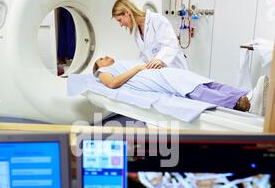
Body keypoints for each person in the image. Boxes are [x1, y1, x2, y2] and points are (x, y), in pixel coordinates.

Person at [92, 56, 269, 115]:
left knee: (208, 83)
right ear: (99, 67)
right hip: (160, 80)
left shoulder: (123, 61)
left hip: (164, 72)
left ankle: (250, 94)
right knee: (197, 90)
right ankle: (245, 104)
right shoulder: (103, 72)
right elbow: (113, 83)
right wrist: (138, 68)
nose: (106, 56)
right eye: (101, 58)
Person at [112, 0, 188, 70]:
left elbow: (171, 45)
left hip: (174, 67)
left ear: (127, 13)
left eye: (120, 20)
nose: (121, 24)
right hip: (160, 72)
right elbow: (145, 56)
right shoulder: (137, 33)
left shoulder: (156, 19)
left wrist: (160, 59)